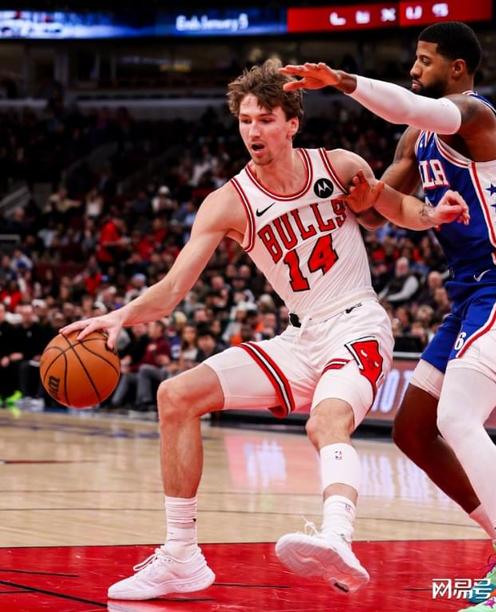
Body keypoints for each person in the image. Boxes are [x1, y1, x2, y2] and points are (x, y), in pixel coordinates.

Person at [62, 60, 468, 600]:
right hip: (299, 338)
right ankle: (181, 556)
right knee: (175, 396)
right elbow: (174, 286)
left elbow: (396, 207)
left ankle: (337, 536)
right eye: (245, 120)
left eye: (265, 119)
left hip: (357, 324)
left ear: (291, 123)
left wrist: (433, 215)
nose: (253, 131)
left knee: (326, 422)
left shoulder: (338, 165)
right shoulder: (228, 202)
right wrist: (119, 316)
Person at [282, 22, 496, 611]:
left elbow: (406, 105)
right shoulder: (417, 138)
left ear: (457, 69)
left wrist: (343, 81)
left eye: (426, 60)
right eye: (414, 59)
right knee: (413, 429)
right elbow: (379, 210)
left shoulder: (475, 116)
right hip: (468, 293)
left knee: (458, 417)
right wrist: (358, 194)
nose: (414, 69)